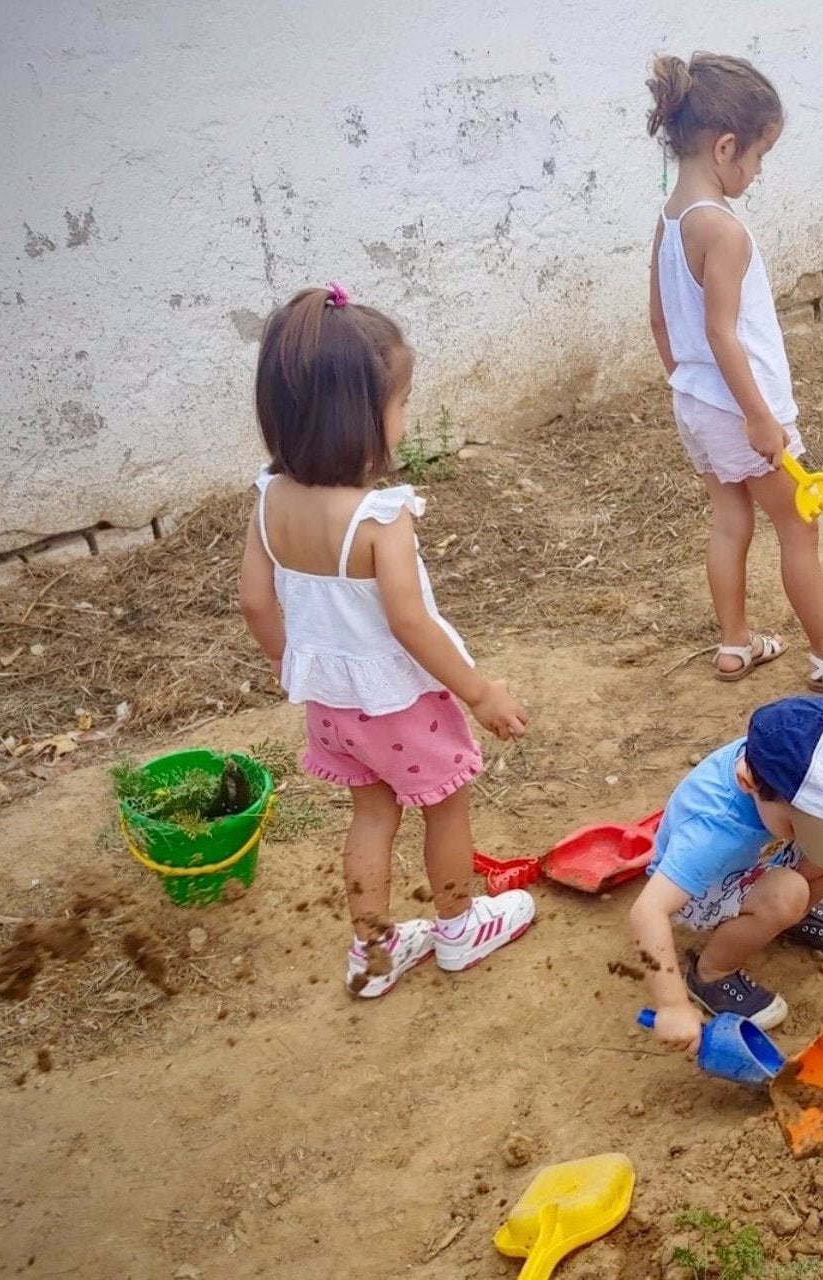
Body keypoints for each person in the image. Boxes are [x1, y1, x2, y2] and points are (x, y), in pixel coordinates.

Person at [239, 283, 536, 998]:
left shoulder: (270, 500)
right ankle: (460, 929)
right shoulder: (380, 517)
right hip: (404, 705)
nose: (403, 420)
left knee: (372, 814)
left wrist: (296, 665)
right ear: (359, 419)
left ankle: (373, 952)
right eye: (399, 406)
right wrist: (479, 690)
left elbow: (254, 600)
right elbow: (410, 623)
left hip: (335, 708)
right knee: (446, 805)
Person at [646, 52, 823, 698]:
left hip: (698, 405)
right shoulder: (724, 231)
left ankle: (736, 643)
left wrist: (691, 387)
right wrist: (760, 417)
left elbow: (659, 322)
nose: (757, 173)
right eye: (758, 157)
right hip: (745, 409)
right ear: (726, 146)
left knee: (730, 520)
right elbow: (721, 332)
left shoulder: (670, 217)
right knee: (798, 526)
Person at [630, 696, 823, 1038]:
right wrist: (671, 1005)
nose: (813, 836)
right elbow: (647, 911)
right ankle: (711, 973)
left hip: (758, 858)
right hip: (707, 886)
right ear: (748, 783)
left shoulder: (777, 764)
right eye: (803, 825)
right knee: (787, 894)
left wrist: (812, 835)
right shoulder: (713, 831)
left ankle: (783, 918)